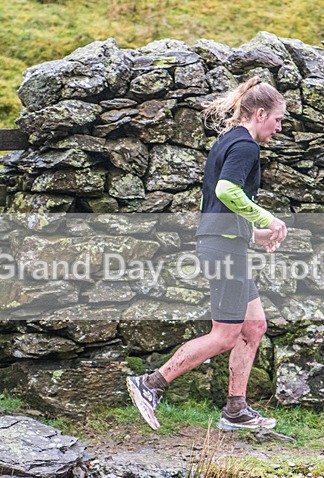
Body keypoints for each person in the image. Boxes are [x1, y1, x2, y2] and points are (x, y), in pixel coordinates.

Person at [127, 76, 288, 431]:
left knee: (254, 326)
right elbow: (228, 190)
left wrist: (254, 233)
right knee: (225, 334)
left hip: (225, 243)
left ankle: (235, 410)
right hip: (223, 250)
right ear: (260, 113)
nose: (279, 127)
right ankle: (150, 384)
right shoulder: (246, 146)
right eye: (277, 119)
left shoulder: (228, 141)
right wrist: (266, 217)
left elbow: (211, 202)